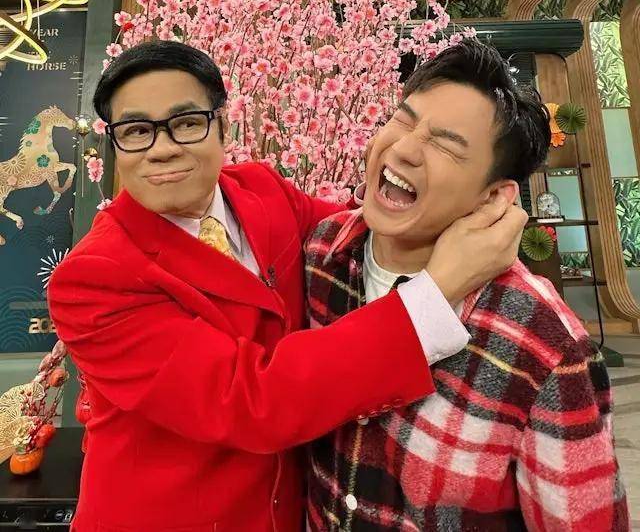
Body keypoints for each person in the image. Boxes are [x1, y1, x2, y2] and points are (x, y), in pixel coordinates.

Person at [48, 41, 528, 532]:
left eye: (187, 123)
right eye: (136, 131)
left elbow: (362, 234)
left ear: (224, 125)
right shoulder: (93, 279)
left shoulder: (260, 190)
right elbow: (252, 401)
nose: (163, 148)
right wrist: (439, 289)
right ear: (114, 145)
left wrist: (473, 220)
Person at [306, 39, 630, 532]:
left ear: (494, 197)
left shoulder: (543, 344)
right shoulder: (320, 255)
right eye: (403, 119)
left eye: (445, 145)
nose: (403, 149)